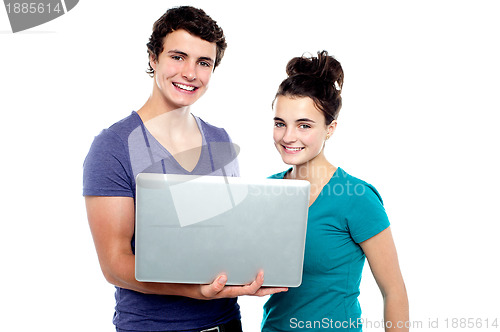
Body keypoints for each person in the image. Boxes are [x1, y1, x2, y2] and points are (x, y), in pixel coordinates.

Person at [83, 6, 286, 332]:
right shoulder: (113, 147)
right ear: (153, 58)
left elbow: (227, 237)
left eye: (203, 63)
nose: (190, 73)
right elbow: (115, 264)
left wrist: (248, 274)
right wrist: (196, 292)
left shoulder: (220, 141)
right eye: (178, 57)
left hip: (226, 324)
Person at [261, 51, 409, 331]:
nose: (288, 136)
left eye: (304, 125)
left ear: (330, 129)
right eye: (280, 123)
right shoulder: (266, 191)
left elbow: (394, 291)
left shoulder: (357, 197)